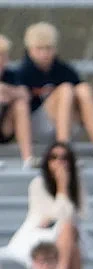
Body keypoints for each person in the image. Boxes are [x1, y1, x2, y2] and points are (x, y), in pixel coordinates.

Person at [14, 23, 93, 170]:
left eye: (48, 48)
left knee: (84, 89)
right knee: (66, 89)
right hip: (37, 126)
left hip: (68, 124)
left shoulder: (63, 70)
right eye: (39, 49)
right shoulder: (22, 73)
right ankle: (63, 153)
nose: (44, 54)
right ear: (30, 49)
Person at [2, 141, 87, 269]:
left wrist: (64, 186)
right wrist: (62, 187)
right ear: (47, 161)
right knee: (68, 231)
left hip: (67, 234)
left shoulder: (77, 184)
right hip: (40, 232)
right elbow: (50, 216)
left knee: (69, 231)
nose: (59, 162)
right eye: (54, 157)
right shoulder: (38, 184)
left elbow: (78, 214)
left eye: (64, 158)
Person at [0, 35, 34, 169]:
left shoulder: (11, 75)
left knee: (21, 105)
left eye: (3, 56)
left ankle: (28, 158)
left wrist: (7, 90)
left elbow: (25, 94)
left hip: (5, 128)